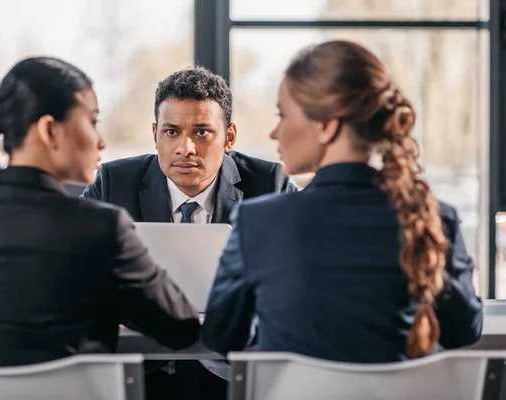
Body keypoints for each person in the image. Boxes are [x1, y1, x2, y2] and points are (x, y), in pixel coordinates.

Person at [202, 40, 483, 362]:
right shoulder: (434, 218)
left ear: (326, 125)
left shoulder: (259, 222)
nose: (275, 133)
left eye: (283, 114)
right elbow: (464, 332)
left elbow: (220, 336)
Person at [0, 56, 200, 367]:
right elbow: (180, 329)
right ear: (49, 130)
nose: (101, 141)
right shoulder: (101, 228)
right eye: (92, 122)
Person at [82, 67, 295, 400]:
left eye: (202, 132)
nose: (186, 148)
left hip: (231, 374)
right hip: (144, 373)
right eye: (171, 132)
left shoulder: (271, 185)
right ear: (155, 134)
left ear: (230, 137)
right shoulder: (112, 185)